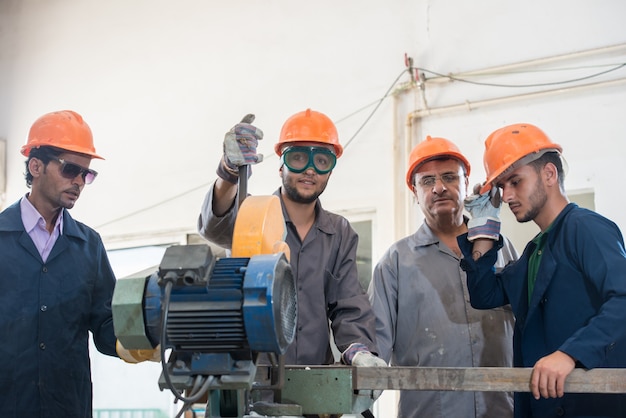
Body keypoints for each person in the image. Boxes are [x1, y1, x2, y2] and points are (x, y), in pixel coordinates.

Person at [197, 109, 387, 414]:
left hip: (312, 394)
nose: (310, 170)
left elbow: (349, 305)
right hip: (248, 388)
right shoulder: (253, 214)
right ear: (281, 163)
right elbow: (214, 225)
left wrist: (359, 351)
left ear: (331, 169)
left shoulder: (338, 233)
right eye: (299, 157)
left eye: (322, 161)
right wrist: (229, 172)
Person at [458, 123, 626, 417]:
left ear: (549, 173)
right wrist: (484, 227)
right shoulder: (536, 249)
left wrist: (571, 353)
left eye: (516, 182)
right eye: (501, 187)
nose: (507, 196)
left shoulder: (585, 228)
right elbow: (484, 294)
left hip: (591, 407)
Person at [368, 136, 518, 418]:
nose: (439, 188)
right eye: (427, 181)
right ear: (414, 192)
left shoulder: (502, 250)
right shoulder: (395, 264)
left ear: (465, 183)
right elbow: (373, 353)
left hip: (502, 411)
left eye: (449, 177)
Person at [0, 110, 118, 417]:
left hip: (67, 408)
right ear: (36, 166)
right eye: (70, 169)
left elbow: (107, 326)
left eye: (86, 174)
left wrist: (149, 333)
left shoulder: (89, 246)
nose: (79, 181)